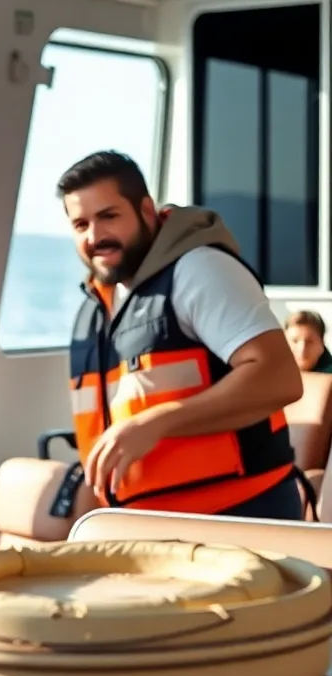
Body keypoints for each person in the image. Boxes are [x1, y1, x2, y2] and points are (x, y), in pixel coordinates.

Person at [59, 150, 304, 519]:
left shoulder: (199, 270)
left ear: (145, 210)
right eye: (81, 225)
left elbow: (279, 379)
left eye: (109, 216)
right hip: (143, 523)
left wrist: (156, 423)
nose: (95, 236)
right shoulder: (96, 308)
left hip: (237, 514)